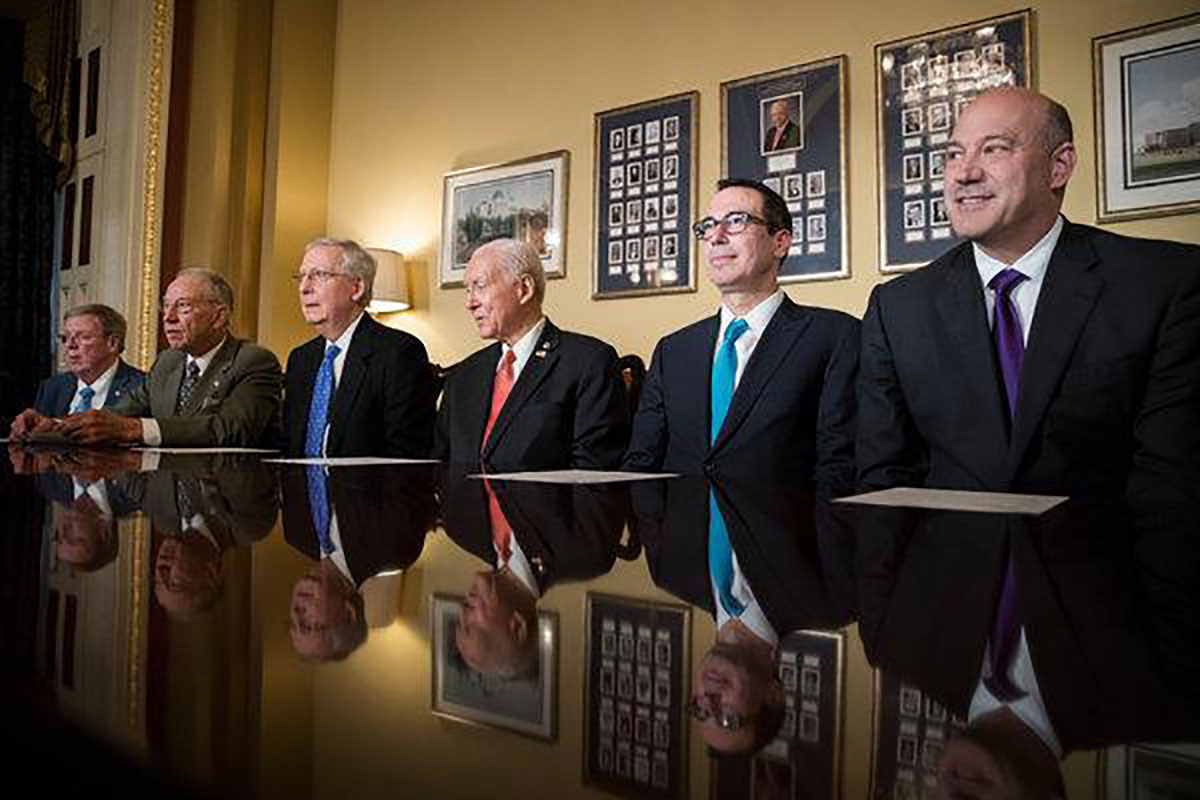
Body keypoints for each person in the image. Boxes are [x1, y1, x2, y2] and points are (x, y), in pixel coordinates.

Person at [856, 88, 1200, 509]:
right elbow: (884, 480)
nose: (963, 173)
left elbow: (1173, 482)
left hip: (1105, 567)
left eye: (994, 149)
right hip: (950, 567)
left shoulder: (1164, 282)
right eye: (953, 154)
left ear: (1058, 166)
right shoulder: (896, 308)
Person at [623, 178, 859, 482]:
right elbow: (642, 465)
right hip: (685, 524)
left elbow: (839, 468)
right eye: (709, 225)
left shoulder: (836, 336)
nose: (716, 237)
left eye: (736, 221)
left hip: (787, 526)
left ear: (780, 242)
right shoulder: (673, 350)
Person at [17, 268, 283, 447]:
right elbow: (113, 417)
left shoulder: (253, 361)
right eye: (165, 306)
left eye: (183, 306)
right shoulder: (167, 362)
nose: (168, 318)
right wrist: (53, 425)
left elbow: (231, 430)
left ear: (219, 316)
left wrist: (135, 430)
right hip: (168, 510)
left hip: (227, 512)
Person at [434, 238, 629, 471]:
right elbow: (441, 467)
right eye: (468, 290)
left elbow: (592, 474)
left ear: (523, 289)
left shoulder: (589, 362)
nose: (470, 303)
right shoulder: (463, 375)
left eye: (480, 286)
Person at [284, 237, 436, 457]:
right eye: (302, 277)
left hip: (368, 489)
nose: (305, 288)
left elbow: (406, 454)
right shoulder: (300, 358)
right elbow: (290, 447)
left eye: (319, 275)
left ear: (356, 287)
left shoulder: (399, 353)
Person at [10, 304, 144, 436]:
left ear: (113, 343)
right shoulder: (52, 388)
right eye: (65, 338)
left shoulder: (141, 386)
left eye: (83, 337)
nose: (70, 345)